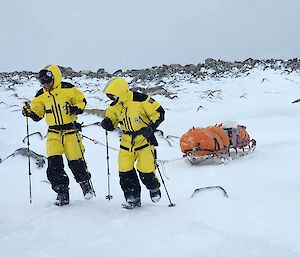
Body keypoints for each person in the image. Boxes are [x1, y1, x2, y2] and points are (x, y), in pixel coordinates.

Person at [22, 65, 94, 206]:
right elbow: (38, 115)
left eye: (47, 81)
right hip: (54, 133)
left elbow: (82, 101)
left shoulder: (68, 89)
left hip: (71, 132)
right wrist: (30, 113)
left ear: (55, 78)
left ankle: (85, 184)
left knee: (76, 162)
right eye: (42, 82)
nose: (45, 85)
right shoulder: (40, 95)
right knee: (54, 165)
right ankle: (62, 192)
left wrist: (75, 109)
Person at [101, 77, 165, 209]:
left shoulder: (141, 99)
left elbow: (159, 113)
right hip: (126, 142)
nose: (112, 99)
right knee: (125, 171)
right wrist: (107, 124)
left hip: (144, 140)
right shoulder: (113, 107)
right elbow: (112, 122)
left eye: (113, 95)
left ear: (120, 91)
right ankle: (132, 198)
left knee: (146, 170)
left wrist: (151, 128)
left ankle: (153, 187)